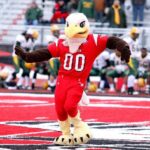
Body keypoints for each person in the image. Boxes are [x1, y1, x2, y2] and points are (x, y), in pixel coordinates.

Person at [15, 13, 130, 145]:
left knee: (70, 105)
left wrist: (123, 46)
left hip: (78, 80)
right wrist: (28, 56)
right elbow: (46, 53)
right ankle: (66, 134)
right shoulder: (63, 42)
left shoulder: (93, 40)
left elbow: (112, 41)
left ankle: (81, 127)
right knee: (60, 108)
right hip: (62, 80)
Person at [123, 27, 140, 94]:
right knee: (132, 73)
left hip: (134, 58)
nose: (137, 35)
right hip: (130, 58)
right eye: (136, 34)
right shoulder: (128, 40)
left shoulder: (136, 41)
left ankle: (130, 89)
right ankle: (130, 89)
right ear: (132, 34)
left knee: (132, 73)